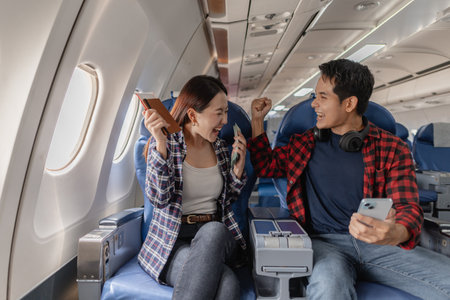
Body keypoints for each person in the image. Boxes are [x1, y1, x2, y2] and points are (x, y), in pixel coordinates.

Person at [248, 59, 450, 300]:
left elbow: (407, 205)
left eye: (322, 97)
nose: (313, 104)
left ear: (349, 104)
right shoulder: (303, 144)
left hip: (378, 245)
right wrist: (258, 122)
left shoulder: (392, 148)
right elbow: (266, 165)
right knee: (329, 285)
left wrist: (396, 233)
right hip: (324, 243)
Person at [138, 75, 248, 300]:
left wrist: (237, 171)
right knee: (227, 284)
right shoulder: (168, 145)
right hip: (174, 240)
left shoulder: (220, 149)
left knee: (213, 230)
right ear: (192, 115)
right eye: (219, 113)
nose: (226, 120)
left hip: (218, 238)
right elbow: (160, 199)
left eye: (226, 112)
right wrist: (160, 144)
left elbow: (228, 200)